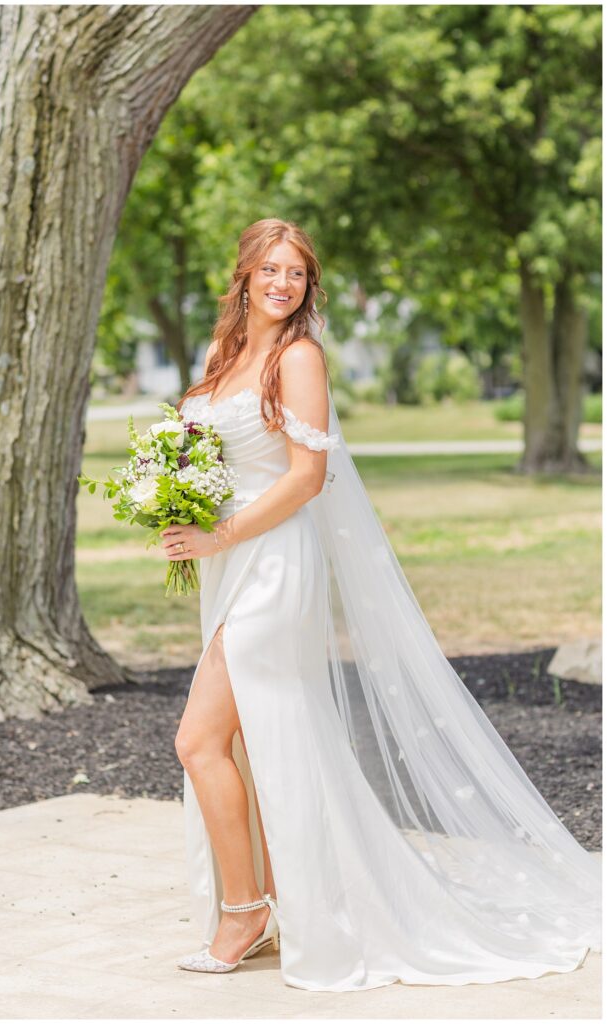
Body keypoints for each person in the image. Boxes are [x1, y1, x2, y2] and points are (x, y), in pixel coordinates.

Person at [161, 218, 601, 992]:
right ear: (243, 275)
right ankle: (270, 901)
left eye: (295, 273)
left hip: (275, 563)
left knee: (198, 741)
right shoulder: (220, 354)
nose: (281, 283)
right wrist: (180, 509)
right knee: (247, 742)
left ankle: (246, 911)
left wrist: (221, 533)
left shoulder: (300, 358)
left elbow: (304, 478)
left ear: (307, 287)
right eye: (269, 268)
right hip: (231, 561)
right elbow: (206, 453)